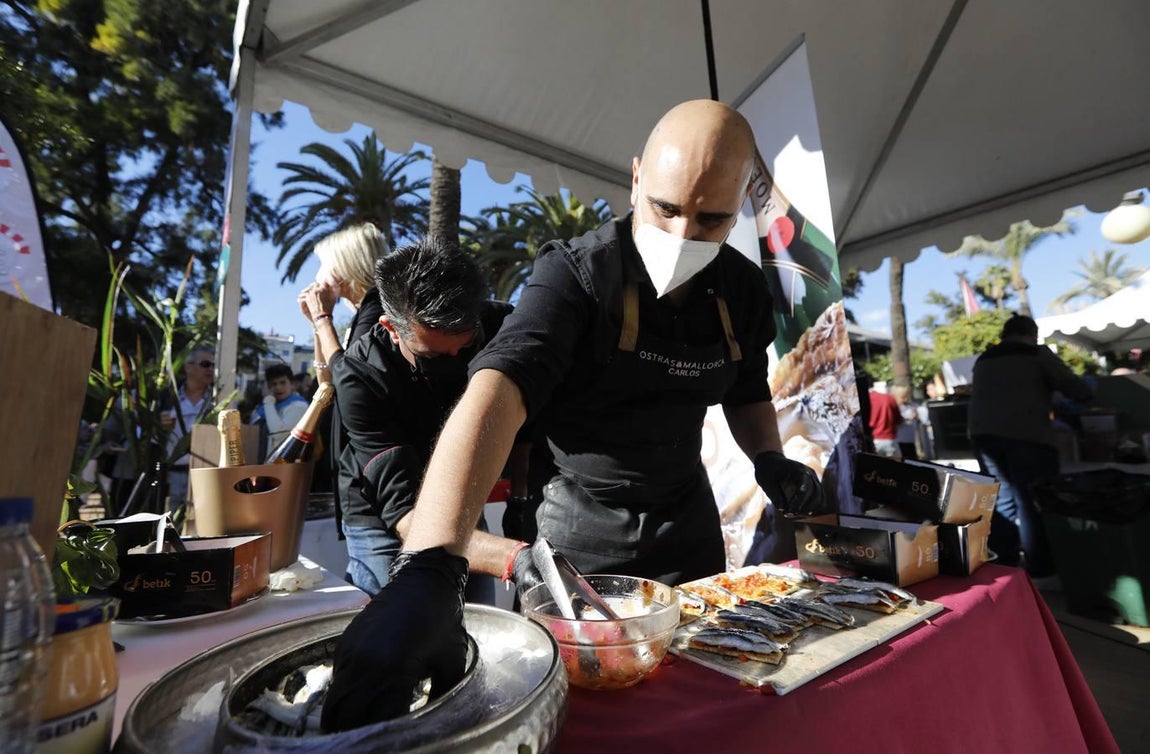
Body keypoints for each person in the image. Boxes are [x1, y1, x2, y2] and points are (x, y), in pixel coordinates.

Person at [322, 99, 823, 731]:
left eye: (711, 219)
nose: (682, 236)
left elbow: (747, 389)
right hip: (579, 540)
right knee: (582, 718)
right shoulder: (578, 273)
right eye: (665, 209)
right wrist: (430, 562)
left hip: (687, 526)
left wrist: (769, 458)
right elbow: (501, 386)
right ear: (636, 177)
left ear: (742, 209)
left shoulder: (743, 291)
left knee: (702, 706)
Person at [300, 237, 522, 603]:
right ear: (390, 328)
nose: (453, 362)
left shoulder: (498, 323)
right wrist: (512, 557)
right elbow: (404, 513)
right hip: (383, 519)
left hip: (462, 502)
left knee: (479, 622)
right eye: (432, 354)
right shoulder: (361, 374)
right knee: (395, 632)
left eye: (465, 349)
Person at [968, 314, 1093, 579]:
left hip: (984, 436)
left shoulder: (984, 359)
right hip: (1027, 436)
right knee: (1032, 501)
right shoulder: (1035, 353)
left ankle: (1006, 565)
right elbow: (1076, 388)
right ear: (1031, 333)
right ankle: (1041, 569)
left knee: (1002, 501)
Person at [161, 345, 215, 514]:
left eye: (214, 365)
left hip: (206, 474)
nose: (211, 369)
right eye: (206, 364)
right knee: (171, 524)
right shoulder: (167, 397)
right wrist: (161, 427)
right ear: (188, 367)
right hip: (173, 472)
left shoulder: (218, 399)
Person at [250, 363, 309, 458]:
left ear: (292, 385)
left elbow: (277, 434)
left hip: (284, 464)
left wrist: (268, 400)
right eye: (274, 384)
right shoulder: (273, 406)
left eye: (283, 383)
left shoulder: (298, 406)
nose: (278, 387)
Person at [868, 386, 902, 458]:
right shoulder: (888, 398)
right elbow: (898, 420)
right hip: (889, 440)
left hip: (872, 440)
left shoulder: (862, 400)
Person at [891, 384, 920, 461]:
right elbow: (895, 420)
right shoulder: (896, 406)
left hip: (911, 438)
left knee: (913, 458)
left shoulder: (911, 405)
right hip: (900, 438)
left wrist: (917, 415)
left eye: (907, 396)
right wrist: (908, 418)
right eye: (904, 397)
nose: (906, 399)